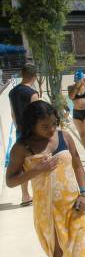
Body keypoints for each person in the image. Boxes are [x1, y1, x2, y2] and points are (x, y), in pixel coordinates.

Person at [6, 101, 85, 257]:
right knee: (57, 252)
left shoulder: (65, 137)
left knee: (80, 248)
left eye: (54, 124)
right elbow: (10, 180)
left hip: (73, 205)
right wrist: (36, 170)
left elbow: (76, 164)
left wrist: (84, 194)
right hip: (46, 210)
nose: (51, 129)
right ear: (32, 125)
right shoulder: (22, 148)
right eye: (45, 126)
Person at [8, 63, 40, 206]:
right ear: (34, 76)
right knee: (37, 163)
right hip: (33, 133)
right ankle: (40, 193)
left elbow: (13, 115)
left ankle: (25, 196)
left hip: (20, 130)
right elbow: (40, 115)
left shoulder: (12, 92)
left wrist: (19, 129)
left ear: (22, 74)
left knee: (21, 163)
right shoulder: (32, 93)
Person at [68, 70, 85, 167]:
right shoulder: (71, 87)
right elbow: (71, 97)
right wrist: (77, 86)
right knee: (82, 135)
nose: (78, 81)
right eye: (77, 79)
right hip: (77, 114)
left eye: (80, 79)